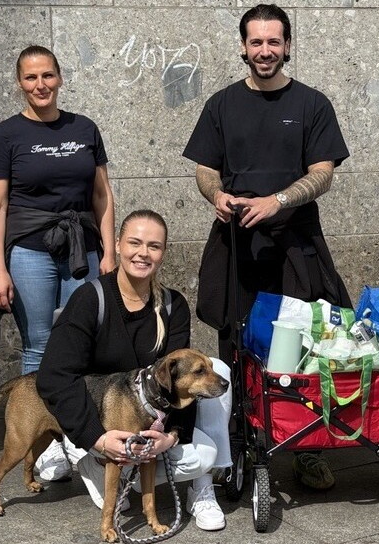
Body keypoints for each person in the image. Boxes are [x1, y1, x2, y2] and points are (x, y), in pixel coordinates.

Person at [182, 3, 352, 492]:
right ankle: (231, 450)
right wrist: (215, 194)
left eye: (273, 42)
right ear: (243, 47)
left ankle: (306, 452)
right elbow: (204, 167)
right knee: (233, 351)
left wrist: (277, 201)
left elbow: (323, 172)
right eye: (255, 42)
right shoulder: (221, 104)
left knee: (302, 351)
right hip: (236, 244)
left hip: (296, 245)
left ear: (288, 46)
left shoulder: (312, 104)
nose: (264, 51)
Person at [36, 210, 231, 531]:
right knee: (109, 459)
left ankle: (202, 487)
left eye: (154, 246)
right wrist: (96, 439)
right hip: (94, 421)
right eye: (135, 243)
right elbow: (54, 376)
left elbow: (179, 382)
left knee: (214, 382)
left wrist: (171, 436)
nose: (143, 253)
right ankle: (93, 463)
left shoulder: (172, 305)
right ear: (117, 245)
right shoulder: (90, 299)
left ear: (163, 253)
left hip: (148, 427)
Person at [0, 45, 116, 482]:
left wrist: (109, 252)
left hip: (83, 252)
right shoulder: (5, 135)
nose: (40, 85)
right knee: (38, 347)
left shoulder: (85, 128)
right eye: (30, 78)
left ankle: (80, 441)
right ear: (19, 82)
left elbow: (101, 196)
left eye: (47, 76)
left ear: (59, 78)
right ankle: (40, 452)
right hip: (29, 252)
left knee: (84, 346)